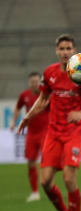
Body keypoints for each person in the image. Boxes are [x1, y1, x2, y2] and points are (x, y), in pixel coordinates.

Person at [17, 34, 81, 211]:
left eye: (69, 48)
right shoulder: (50, 73)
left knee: (68, 178)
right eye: (62, 49)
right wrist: (28, 116)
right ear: (57, 51)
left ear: (75, 50)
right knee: (46, 181)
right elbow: (44, 98)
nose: (65, 52)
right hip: (54, 133)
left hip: (74, 133)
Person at [10, 72, 49, 202]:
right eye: (32, 82)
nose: (34, 84)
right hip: (31, 133)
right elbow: (17, 108)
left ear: (40, 82)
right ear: (29, 82)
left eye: (37, 81)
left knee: (47, 161)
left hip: (45, 132)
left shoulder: (46, 94)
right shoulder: (24, 95)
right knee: (31, 162)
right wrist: (13, 122)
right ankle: (35, 192)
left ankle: (49, 187)